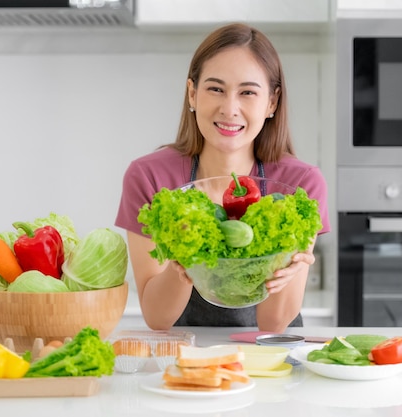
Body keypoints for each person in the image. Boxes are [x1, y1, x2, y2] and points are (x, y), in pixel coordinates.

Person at [115, 22, 330, 333]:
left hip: (267, 360)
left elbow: (273, 324)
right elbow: (157, 318)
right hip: (183, 359)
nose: (230, 109)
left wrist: (288, 271)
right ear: (192, 93)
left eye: (248, 93)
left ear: (272, 102)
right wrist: (181, 267)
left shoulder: (301, 184)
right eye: (215, 89)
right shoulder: (150, 176)